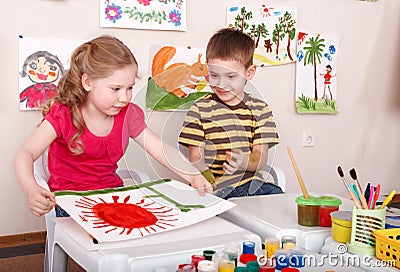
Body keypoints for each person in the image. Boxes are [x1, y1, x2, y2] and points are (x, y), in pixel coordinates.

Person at [14, 35, 212, 217]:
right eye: (115, 89)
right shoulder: (63, 114)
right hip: (69, 201)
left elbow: (160, 149)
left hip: (111, 196)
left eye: (130, 88)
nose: (124, 97)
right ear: (88, 82)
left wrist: (192, 174)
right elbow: (25, 154)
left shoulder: (129, 115)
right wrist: (31, 188)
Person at [178, 28, 283, 200]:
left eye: (231, 76)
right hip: (217, 191)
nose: (221, 84)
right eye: (214, 75)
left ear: (249, 73)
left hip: (253, 188)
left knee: (281, 203)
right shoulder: (200, 109)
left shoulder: (260, 110)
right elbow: (196, 156)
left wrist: (244, 161)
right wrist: (208, 180)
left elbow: (261, 158)